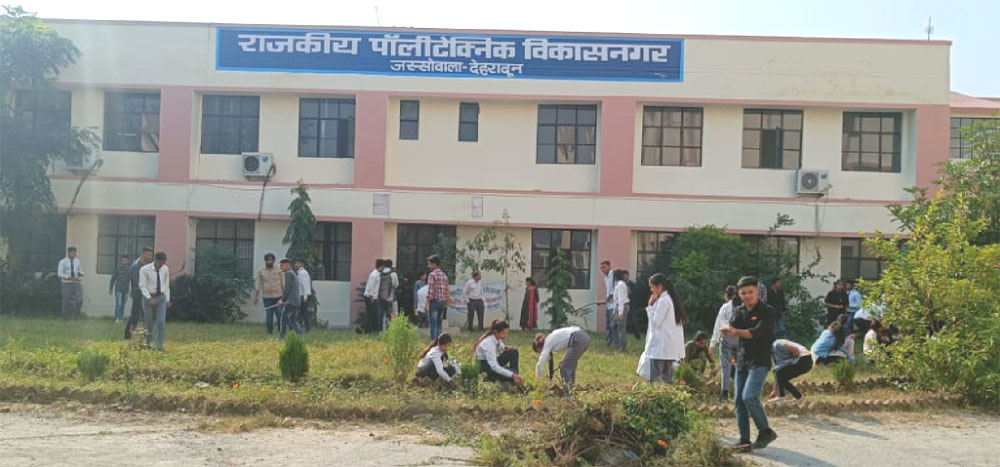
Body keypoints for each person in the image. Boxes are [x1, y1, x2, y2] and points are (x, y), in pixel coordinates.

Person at [719, 275, 778, 451]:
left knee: (749, 396)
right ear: (739, 294)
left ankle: (766, 431)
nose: (747, 296)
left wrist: (734, 331)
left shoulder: (768, 311)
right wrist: (728, 334)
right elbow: (732, 331)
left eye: (750, 292)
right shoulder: (738, 311)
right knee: (738, 401)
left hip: (760, 359)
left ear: (757, 291)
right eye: (743, 293)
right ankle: (744, 440)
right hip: (742, 359)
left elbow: (754, 333)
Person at [637, 273, 687, 384]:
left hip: (660, 347)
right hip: (669, 348)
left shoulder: (664, 301)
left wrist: (650, 307)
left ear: (659, 287)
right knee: (668, 380)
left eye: (652, 287)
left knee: (656, 380)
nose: (651, 290)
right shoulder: (670, 299)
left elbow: (656, 322)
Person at [533, 325, 591, 395]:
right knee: (570, 365)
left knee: (564, 368)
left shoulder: (547, 343)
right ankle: (571, 387)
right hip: (583, 336)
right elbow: (568, 342)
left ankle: (568, 392)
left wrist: (538, 382)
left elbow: (539, 365)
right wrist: (564, 359)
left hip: (577, 339)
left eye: (539, 351)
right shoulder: (551, 337)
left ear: (539, 347)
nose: (541, 353)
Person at [474, 320, 525, 389]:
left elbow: (500, 345)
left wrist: (505, 348)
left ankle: (514, 377)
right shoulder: (488, 343)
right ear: (496, 331)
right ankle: (512, 378)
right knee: (512, 373)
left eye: (507, 333)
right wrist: (511, 375)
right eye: (503, 333)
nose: (506, 336)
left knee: (513, 352)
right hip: (486, 368)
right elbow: (494, 366)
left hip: (490, 363)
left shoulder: (495, 337)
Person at [711, 286, 739, 401]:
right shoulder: (744, 306)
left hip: (727, 339)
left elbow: (719, 325)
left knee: (726, 366)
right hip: (741, 339)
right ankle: (740, 392)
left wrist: (713, 343)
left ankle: (724, 393)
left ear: (726, 295)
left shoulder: (725, 307)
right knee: (741, 367)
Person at [138, 252, 171, 351]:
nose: (161, 265)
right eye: (160, 263)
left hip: (161, 297)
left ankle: (159, 345)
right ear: (155, 260)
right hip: (149, 297)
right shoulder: (145, 269)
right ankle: (147, 343)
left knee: (161, 322)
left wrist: (167, 299)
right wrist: (149, 298)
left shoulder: (165, 269)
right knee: (149, 323)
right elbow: (142, 285)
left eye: (163, 263)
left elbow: (166, 285)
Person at [125, 247, 153, 340]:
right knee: (136, 315)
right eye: (149, 255)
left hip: (142, 292)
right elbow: (136, 281)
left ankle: (134, 334)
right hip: (138, 293)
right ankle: (129, 334)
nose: (151, 257)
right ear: (143, 254)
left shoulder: (144, 265)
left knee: (139, 315)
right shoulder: (136, 266)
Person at [253, 253, 285, 336]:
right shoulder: (261, 271)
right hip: (267, 297)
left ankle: (281, 331)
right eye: (267, 260)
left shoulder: (279, 270)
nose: (269, 262)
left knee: (279, 314)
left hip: (279, 296)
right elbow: (258, 284)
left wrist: (284, 297)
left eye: (270, 260)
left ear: (273, 261)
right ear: (265, 261)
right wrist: (256, 296)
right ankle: (269, 332)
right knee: (269, 315)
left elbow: (283, 283)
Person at [425, 255, 450, 340]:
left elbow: (431, 291)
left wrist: (427, 303)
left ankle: (433, 342)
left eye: (429, 264)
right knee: (439, 324)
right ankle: (439, 342)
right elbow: (447, 290)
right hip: (442, 301)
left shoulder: (432, 275)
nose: (428, 266)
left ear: (434, 264)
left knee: (433, 324)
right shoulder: (444, 275)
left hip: (434, 301)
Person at [277, 259, 302, 338]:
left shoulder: (288, 273)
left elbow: (287, 288)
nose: (280, 267)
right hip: (296, 301)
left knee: (283, 318)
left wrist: (283, 300)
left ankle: (282, 336)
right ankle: (299, 335)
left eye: (282, 265)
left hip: (291, 301)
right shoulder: (293, 273)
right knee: (293, 319)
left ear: (288, 265)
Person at [58, 246, 85, 320]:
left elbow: (80, 270)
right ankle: (65, 317)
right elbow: (60, 274)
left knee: (79, 300)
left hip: (76, 282)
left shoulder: (77, 261)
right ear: (69, 253)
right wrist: (68, 277)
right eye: (72, 253)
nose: (74, 255)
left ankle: (76, 316)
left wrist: (81, 273)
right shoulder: (63, 262)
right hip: (66, 283)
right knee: (66, 301)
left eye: (75, 253)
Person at [377, 260, 399, 331]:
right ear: (391, 265)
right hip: (389, 297)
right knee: (389, 314)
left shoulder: (380, 273)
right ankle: (388, 329)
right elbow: (396, 285)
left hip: (380, 297)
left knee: (380, 314)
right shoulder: (393, 274)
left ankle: (379, 330)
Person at [108, 255, 131, 323]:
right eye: (122, 261)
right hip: (118, 289)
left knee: (123, 304)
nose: (123, 262)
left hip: (126, 290)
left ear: (128, 261)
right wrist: (111, 289)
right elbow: (113, 279)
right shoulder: (118, 269)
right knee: (119, 304)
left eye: (125, 260)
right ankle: (117, 318)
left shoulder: (130, 269)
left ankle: (121, 318)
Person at [363, 259, 384, 333]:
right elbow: (370, 287)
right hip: (370, 297)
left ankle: (369, 328)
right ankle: (366, 329)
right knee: (370, 314)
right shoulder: (374, 275)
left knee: (373, 314)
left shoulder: (377, 274)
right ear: (380, 266)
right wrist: (371, 297)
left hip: (373, 297)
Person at [611, 269, 630, 353]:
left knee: (621, 327)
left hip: (622, 306)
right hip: (618, 306)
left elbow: (621, 299)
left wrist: (620, 312)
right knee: (614, 325)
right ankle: (617, 344)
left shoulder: (621, 284)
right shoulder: (618, 284)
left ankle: (622, 347)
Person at [599, 260, 615, 347]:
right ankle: (608, 343)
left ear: (609, 267)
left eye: (604, 267)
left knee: (613, 325)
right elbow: (608, 292)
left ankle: (616, 343)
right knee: (608, 325)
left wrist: (604, 301)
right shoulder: (605, 278)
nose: (602, 269)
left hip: (614, 305)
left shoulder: (613, 276)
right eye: (601, 268)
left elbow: (613, 293)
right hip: (609, 305)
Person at [294, 259, 313, 332]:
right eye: (296, 263)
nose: (296, 265)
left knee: (301, 313)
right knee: (303, 313)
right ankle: (305, 328)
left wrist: (305, 297)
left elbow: (305, 285)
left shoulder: (302, 273)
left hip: (302, 295)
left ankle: (303, 328)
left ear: (302, 264)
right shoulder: (299, 272)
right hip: (301, 295)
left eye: (298, 263)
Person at [624, 271, 642, 339]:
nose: (625, 277)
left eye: (626, 276)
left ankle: (637, 335)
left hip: (632, 305)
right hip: (624, 304)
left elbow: (635, 295)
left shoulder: (632, 285)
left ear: (628, 276)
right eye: (623, 276)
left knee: (634, 320)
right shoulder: (621, 285)